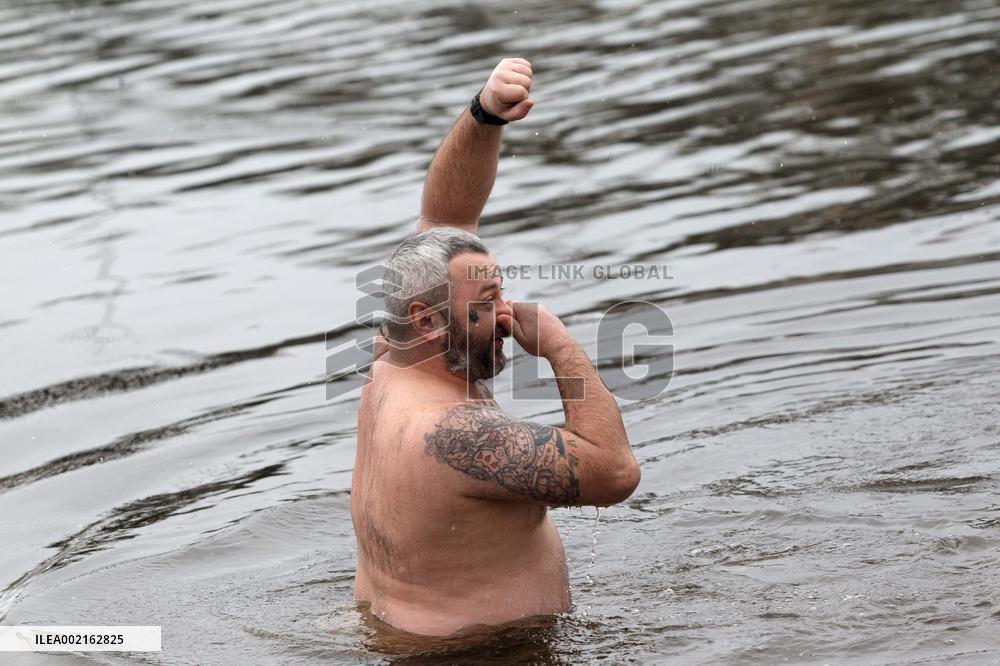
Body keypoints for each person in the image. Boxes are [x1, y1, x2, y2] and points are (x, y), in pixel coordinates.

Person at [351, 57, 641, 637]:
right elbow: (614, 473)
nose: (507, 314)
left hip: (387, 635)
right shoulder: (456, 432)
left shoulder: (392, 363)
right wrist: (560, 347)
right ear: (428, 319)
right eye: (487, 300)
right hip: (480, 655)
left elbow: (445, 218)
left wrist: (484, 116)